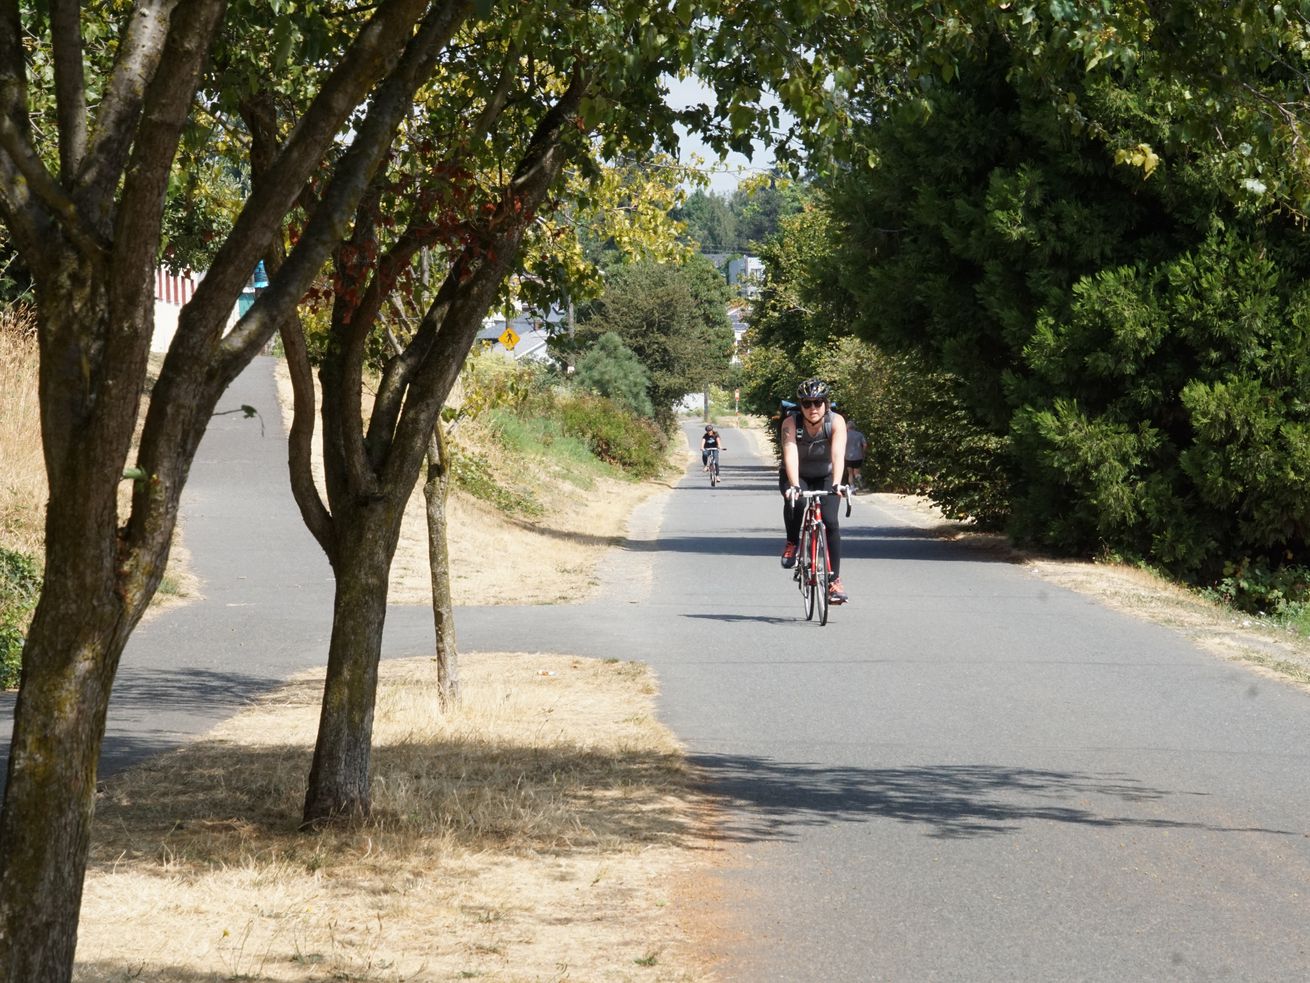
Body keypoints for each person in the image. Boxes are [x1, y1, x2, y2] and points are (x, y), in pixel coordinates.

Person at [779, 379, 849, 603]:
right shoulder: (790, 424)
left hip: (826, 475)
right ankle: (792, 542)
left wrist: (837, 483)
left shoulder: (836, 422)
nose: (813, 408)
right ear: (800, 405)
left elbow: (838, 454)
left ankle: (834, 582)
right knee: (796, 502)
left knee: (831, 521)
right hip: (796, 474)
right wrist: (794, 485)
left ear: (826, 404)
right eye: (807, 403)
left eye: (818, 402)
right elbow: (790, 454)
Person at [844, 420, 868, 491]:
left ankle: (852, 487)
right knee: (857, 472)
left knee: (850, 473)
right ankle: (860, 484)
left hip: (848, 457)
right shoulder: (860, 434)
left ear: (847, 427)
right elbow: (865, 445)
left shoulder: (845, 435)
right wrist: (863, 452)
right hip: (858, 456)